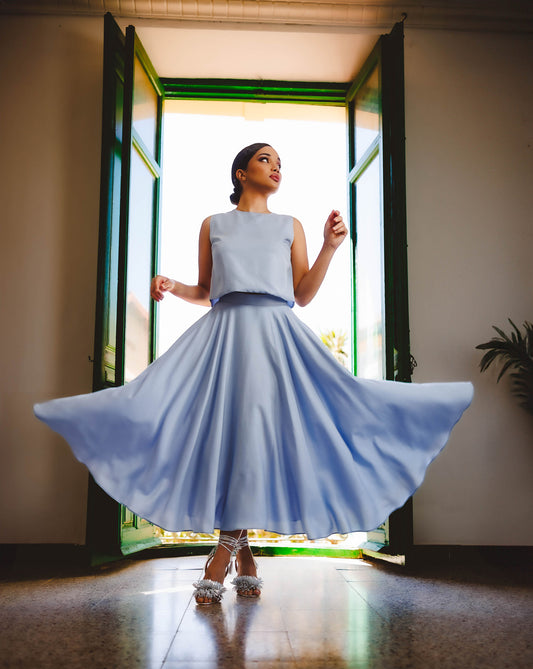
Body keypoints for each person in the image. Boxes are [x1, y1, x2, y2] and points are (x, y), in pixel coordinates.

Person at [34, 142, 473, 605]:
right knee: (180, 415)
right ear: (240, 173)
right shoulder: (213, 225)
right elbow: (208, 290)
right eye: (266, 160)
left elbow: (302, 295)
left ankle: (223, 553)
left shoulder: (290, 227)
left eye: (280, 163)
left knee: (273, 428)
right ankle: (241, 553)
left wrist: (328, 246)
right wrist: (171, 285)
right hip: (224, 335)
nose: (276, 168)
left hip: (275, 336)